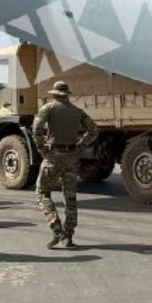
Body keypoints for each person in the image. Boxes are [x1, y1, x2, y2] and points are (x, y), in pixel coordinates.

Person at [33, 81, 98, 249]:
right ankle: (68, 235)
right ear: (67, 94)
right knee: (70, 196)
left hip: (54, 156)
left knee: (42, 192)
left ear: (54, 94)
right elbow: (94, 130)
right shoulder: (77, 112)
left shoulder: (48, 109)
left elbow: (36, 129)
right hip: (72, 157)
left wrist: (42, 149)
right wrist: (81, 146)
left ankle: (57, 230)